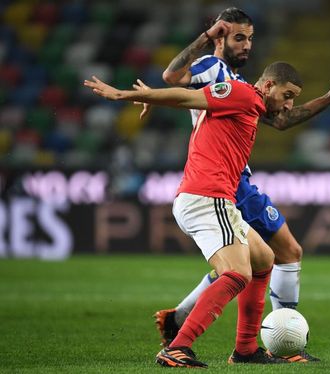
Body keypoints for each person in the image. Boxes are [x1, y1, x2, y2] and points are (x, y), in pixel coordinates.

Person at [143, 7, 330, 363]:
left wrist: (327, 98)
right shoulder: (213, 68)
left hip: (232, 177)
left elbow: (280, 120)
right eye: (239, 37)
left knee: (261, 258)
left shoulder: (241, 84)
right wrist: (202, 42)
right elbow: (173, 77)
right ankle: (282, 343)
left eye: (250, 37)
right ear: (221, 37)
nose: (247, 45)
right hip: (223, 179)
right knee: (278, 255)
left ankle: (198, 326)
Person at [84, 61, 303, 367]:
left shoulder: (247, 105)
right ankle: (177, 346)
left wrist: (150, 96)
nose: (289, 104)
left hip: (214, 198)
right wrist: (124, 96)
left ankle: (246, 349)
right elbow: (189, 97)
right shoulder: (242, 94)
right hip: (207, 196)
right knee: (238, 274)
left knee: (264, 258)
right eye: (287, 94)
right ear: (267, 86)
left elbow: (194, 101)